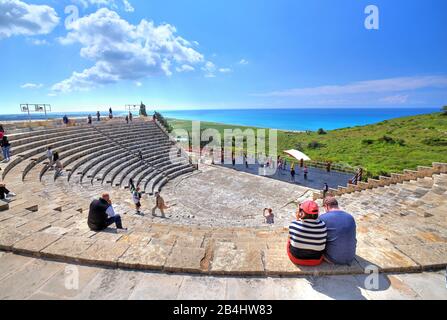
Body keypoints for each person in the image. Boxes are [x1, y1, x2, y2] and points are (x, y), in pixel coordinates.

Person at [287, 200, 327, 266]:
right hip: (316, 260)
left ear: (302, 213)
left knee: (289, 239)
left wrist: (297, 220)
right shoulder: (323, 225)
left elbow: (291, 239)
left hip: (296, 258)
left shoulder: (294, 224)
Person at [320, 197, 357, 265]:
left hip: (333, 259)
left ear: (326, 206)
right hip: (351, 257)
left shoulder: (323, 217)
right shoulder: (350, 217)